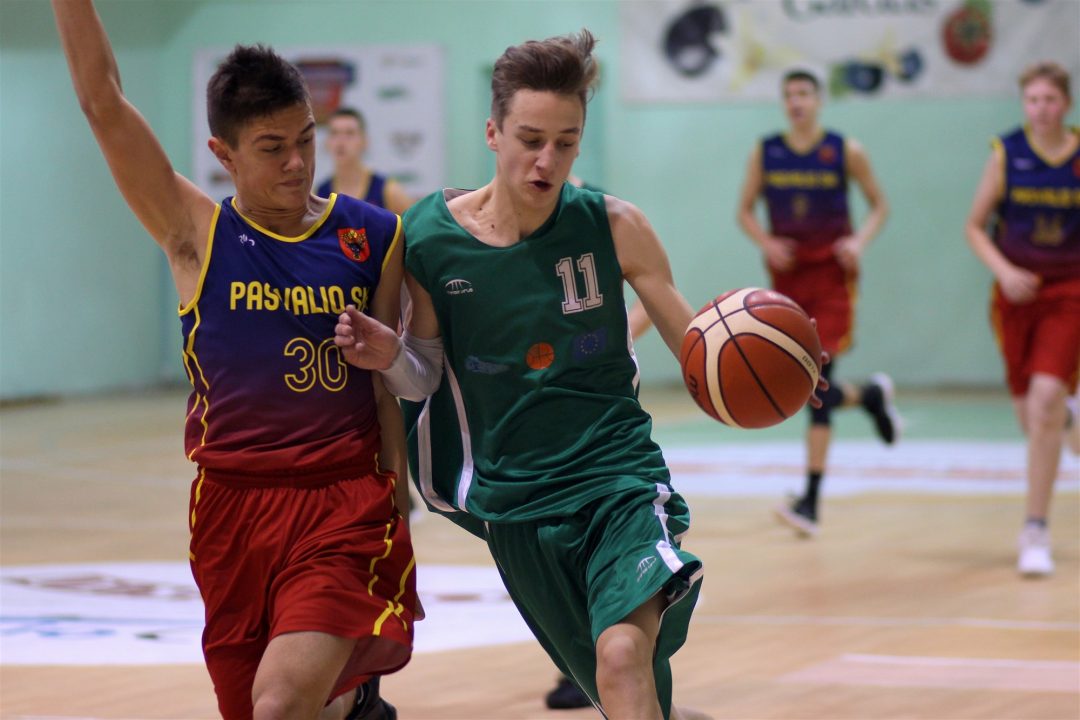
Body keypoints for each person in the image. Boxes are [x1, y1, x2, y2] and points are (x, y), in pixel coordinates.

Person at [51, 1, 442, 718]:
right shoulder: (195, 235)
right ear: (224, 154)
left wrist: (400, 500)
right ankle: (356, 705)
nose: (297, 162)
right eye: (271, 147)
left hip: (343, 502)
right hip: (230, 510)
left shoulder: (373, 235)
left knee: (280, 703)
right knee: (271, 705)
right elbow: (103, 105)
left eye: (306, 139)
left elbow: (386, 388)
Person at [336, 29, 734, 720]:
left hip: (616, 478)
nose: (547, 160)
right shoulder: (429, 238)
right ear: (492, 132)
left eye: (565, 142)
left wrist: (772, 364)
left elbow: (703, 352)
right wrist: (387, 355)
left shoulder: (613, 226)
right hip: (514, 498)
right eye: (530, 139)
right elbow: (422, 379)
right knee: (618, 686)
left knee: (621, 655)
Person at [736, 68, 898, 538]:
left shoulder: (845, 150)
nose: (796, 101)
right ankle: (869, 396)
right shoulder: (766, 152)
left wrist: (859, 242)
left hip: (831, 279)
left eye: (804, 93)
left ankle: (809, 502)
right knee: (805, 383)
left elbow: (880, 205)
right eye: (789, 94)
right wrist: (766, 241)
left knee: (817, 386)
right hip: (787, 284)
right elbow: (744, 210)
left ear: (819, 100)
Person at [964, 61, 1080, 577]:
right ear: (1024, 104)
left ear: (1066, 104)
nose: (1041, 108)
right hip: (1016, 297)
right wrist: (1005, 271)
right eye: (1033, 100)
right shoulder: (1006, 153)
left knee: (1045, 398)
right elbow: (974, 227)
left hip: (1070, 293)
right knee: (1030, 417)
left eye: (1050, 99)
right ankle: (1068, 420)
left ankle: (1035, 528)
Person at [316, 107, 416, 216]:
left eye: (349, 133)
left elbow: (415, 224)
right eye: (334, 133)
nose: (340, 142)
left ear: (365, 141)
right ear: (326, 142)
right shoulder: (318, 195)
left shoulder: (388, 191)